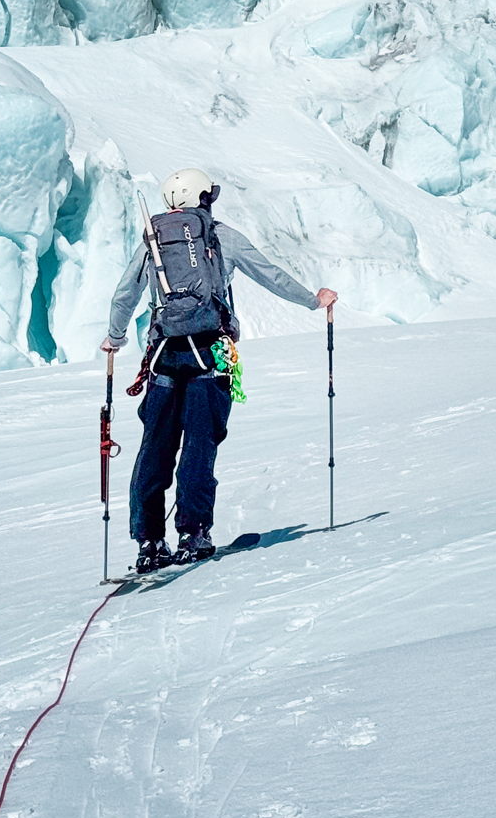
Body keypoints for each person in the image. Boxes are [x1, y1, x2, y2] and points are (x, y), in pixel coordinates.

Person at [102, 168, 337, 573]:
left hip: (163, 357)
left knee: (155, 448)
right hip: (210, 354)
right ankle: (193, 534)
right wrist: (314, 301)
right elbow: (269, 274)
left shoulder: (154, 240)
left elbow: (125, 294)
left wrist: (115, 337)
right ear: (202, 198)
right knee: (198, 445)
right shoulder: (219, 235)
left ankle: (149, 541)